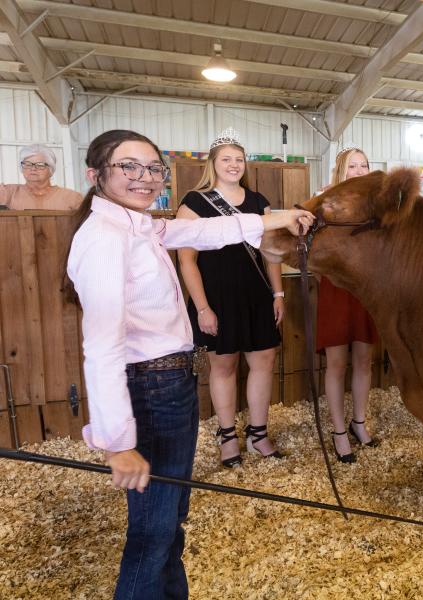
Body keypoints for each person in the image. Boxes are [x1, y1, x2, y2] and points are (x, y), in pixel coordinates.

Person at [64, 129, 312, 599]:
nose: (145, 178)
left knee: (170, 520)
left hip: (171, 382)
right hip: (151, 387)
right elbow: (101, 347)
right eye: (129, 167)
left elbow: (207, 229)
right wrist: (117, 442)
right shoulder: (102, 237)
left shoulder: (140, 224)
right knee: (153, 530)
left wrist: (281, 216)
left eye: (153, 169)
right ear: (96, 175)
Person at [176, 129, 287, 467]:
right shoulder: (195, 202)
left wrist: (278, 293)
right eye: (226, 159)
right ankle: (227, 437)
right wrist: (202, 308)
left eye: (239, 159)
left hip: (256, 294)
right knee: (223, 365)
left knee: (263, 361)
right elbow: (186, 260)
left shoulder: (258, 202)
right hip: (217, 295)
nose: (234, 164)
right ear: (213, 164)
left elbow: (270, 253)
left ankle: (258, 433)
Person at [317, 147, 380, 463]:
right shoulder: (325, 201)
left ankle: (359, 422)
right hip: (337, 287)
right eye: (353, 165)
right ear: (341, 170)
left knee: (364, 359)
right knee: (337, 362)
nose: (359, 170)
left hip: (365, 288)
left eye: (364, 165)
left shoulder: (375, 205)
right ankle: (339, 431)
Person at [0, 144, 81, 210]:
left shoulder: (72, 197)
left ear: (51, 169)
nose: (33, 168)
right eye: (27, 164)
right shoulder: (8, 192)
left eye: (40, 165)